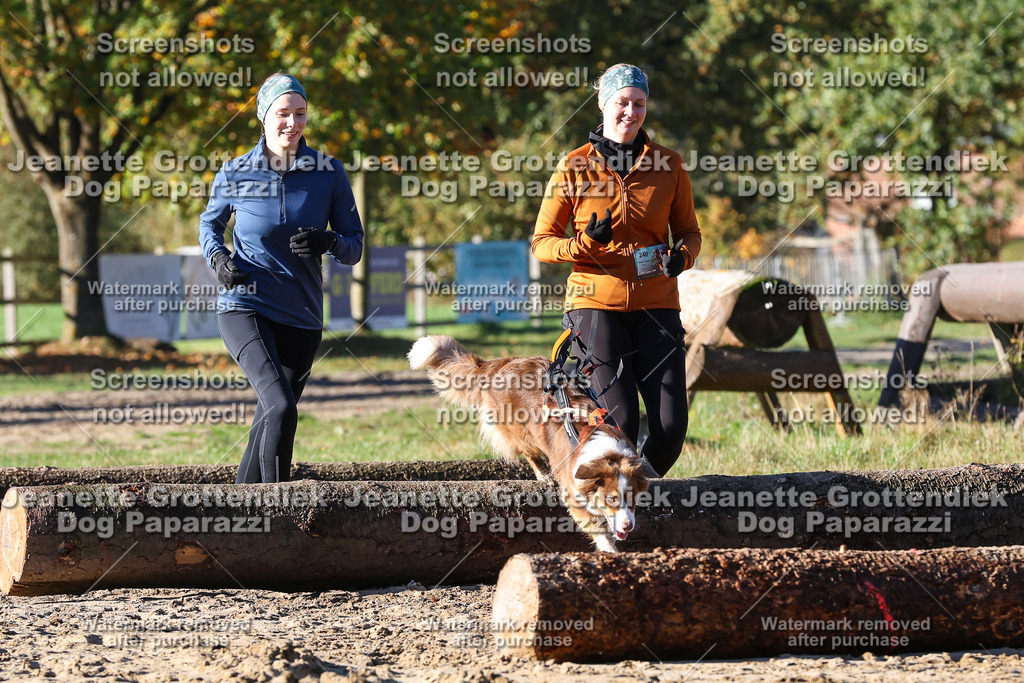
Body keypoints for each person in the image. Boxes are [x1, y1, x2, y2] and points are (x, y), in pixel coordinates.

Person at [531, 63, 701, 477]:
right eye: (622, 102)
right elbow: (541, 243)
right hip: (594, 303)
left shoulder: (669, 165)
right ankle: (605, 497)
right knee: (620, 421)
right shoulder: (573, 166)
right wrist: (584, 243)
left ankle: (634, 494)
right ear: (603, 104)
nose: (631, 111)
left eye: (639, 103)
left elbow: (690, 233)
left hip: (656, 303)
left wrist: (682, 258)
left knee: (670, 428)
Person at [199, 73, 363, 483]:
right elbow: (209, 226)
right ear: (264, 116)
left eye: (301, 114)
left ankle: (241, 514)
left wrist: (329, 240)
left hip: (303, 314)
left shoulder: (329, 173)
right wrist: (218, 258)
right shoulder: (235, 172)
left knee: (270, 418)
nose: (292, 123)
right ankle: (278, 515)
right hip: (245, 304)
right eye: (283, 114)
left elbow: (354, 246)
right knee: (280, 406)